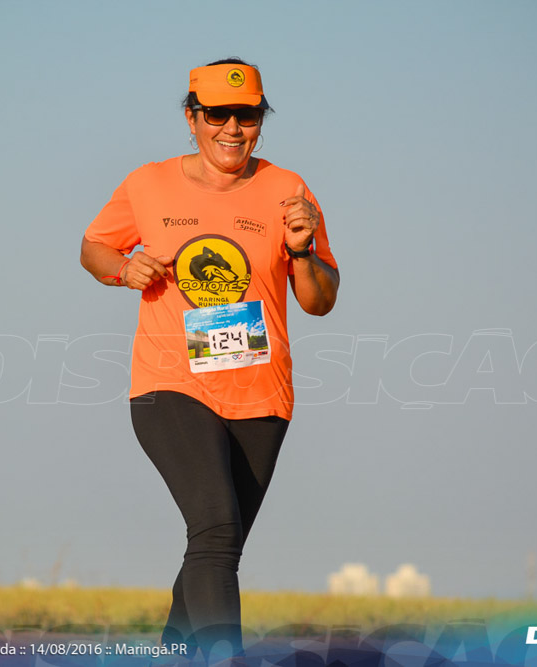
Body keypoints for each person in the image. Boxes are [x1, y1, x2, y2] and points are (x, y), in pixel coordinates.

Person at [80, 58, 340, 663]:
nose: (232, 128)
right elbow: (94, 246)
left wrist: (302, 253)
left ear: (259, 120)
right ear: (192, 118)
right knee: (218, 529)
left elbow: (320, 301)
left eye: (246, 115)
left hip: (262, 395)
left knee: (213, 550)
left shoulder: (288, 189)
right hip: (170, 385)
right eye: (217, 115)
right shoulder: (148, 184)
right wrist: (124, 269)